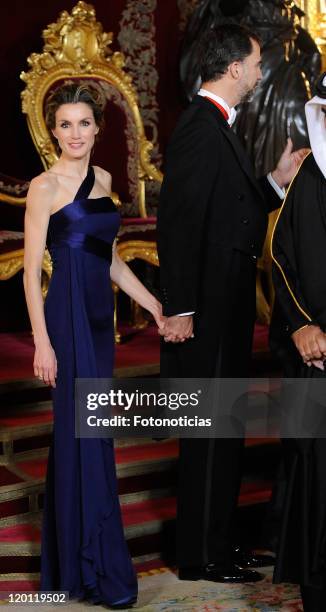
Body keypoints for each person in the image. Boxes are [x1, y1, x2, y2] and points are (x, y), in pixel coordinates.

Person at [157, 23, 308, 583]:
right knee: (209, 431)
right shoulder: (200, 127)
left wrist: (276, 180)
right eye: (256, 62)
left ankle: (220, 543)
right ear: (234, 67)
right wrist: (182, 308)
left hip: (226, 304)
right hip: (208, 310)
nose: (262, 71)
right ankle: (202, 556)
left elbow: (232, 211)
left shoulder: (218, 127)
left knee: (227, 428)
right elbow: (179, 224)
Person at [23, 82, 165, 607]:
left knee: (91, 431)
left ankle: (74, 565)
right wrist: (42, 341)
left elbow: (109, 258)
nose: (75, 133)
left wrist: (150, 304)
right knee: (84, 431)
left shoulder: (103, 178)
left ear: (97, 129)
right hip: (65, 316)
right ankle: (96, 569)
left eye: (84, 123)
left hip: (99, 319)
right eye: (65, 124)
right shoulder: (43, 187)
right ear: (53, 131)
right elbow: (31, 272)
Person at [271, 72, 326, 611]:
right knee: (315, 470)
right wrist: (303, 325)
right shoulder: (309, 179)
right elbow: (281, 260)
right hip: (318, 355)